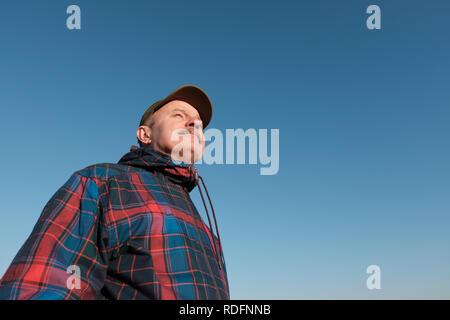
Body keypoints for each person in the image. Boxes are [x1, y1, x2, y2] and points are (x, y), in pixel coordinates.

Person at [0, 85, 230, 300]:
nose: (194, 124)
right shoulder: (103, 182)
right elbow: (46, 283)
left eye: (199, 124)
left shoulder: (204, 223)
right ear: (145, 135)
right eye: (179, 115)